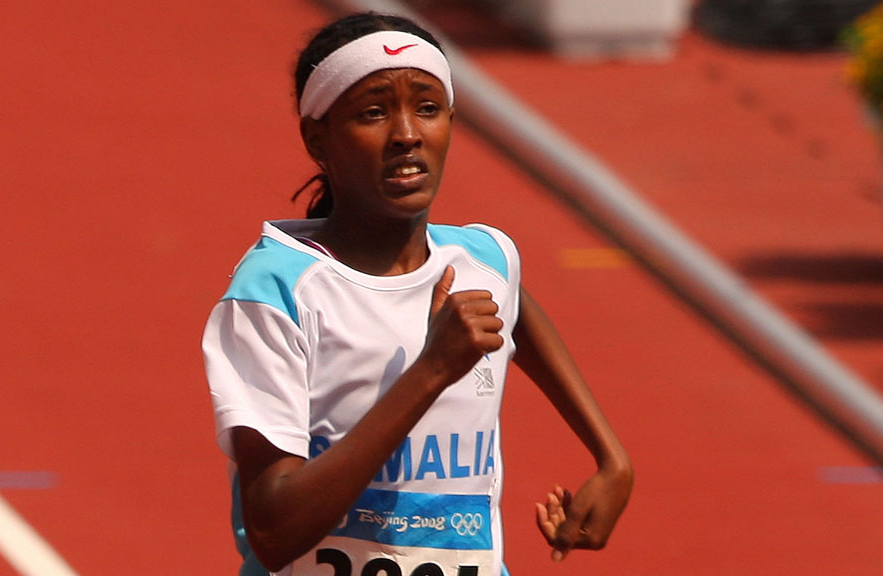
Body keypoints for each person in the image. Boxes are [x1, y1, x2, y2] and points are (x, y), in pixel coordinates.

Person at [202, 11, 633, 576]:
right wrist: (432, 369)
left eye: (427, 108)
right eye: (374, 112)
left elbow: (514, 304)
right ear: (317, 137)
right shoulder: (277, 291)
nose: (406, 134)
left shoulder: (483, 260)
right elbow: (274, 531)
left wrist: (612, 458)